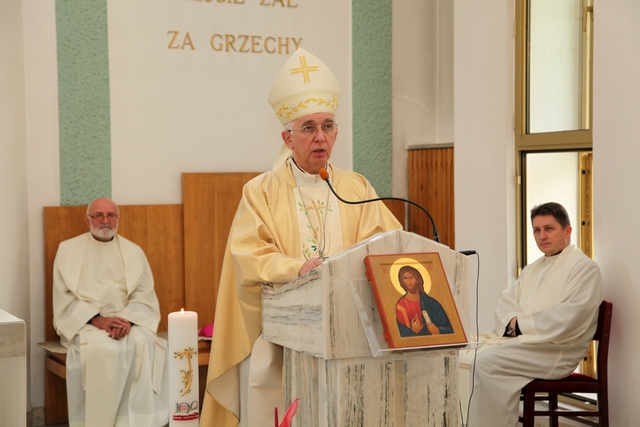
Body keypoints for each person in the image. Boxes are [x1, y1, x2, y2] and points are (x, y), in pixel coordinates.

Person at [200, 48, 402, 427]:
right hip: (284, 337)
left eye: (328, 126)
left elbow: (388, 245)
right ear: (287, 138)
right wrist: (297, 268)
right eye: (308, 128)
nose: (320, 137)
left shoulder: (356, 187)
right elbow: (250, 255)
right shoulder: (261, 191)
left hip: (352, 333)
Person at [466, 202, 603, 427]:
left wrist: (520, 326)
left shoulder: (584, 269)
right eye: (536, 230)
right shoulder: (533, 268)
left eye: (549, 229)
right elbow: (506, 302)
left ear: (567, 231)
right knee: (466, 353)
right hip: (529, 344)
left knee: (484, 363)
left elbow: (568, 317)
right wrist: (513, 324)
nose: (542, 236)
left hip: (556, 349)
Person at [52, 197, 168, 427]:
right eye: (98, 215)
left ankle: (137, 422)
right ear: (87, 220)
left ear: (118, 219)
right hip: (87, 323)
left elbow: (143, 294)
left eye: (111, 215)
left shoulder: (134, 252)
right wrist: (99, 321)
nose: (105, 220)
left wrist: (127, 320)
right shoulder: (68, 251)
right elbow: (64, 298)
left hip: (126, 320)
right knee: (102, 348)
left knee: (143, 343)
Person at [395, 265, 453, 336]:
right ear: (402, 282)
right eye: (405, 278)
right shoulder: (401, 305)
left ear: (417, 280)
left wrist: (438, 330)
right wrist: (412, 332)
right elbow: (399, 334)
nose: (408, 281)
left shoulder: (432, 303)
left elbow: (450, 329)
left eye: (411, 278)